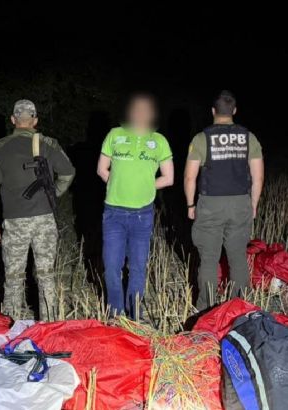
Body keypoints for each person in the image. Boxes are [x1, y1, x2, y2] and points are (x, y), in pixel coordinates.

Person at [0, 99, 75, 320]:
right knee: (46, 275)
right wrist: (54, 193)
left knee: (13, 277)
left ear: (13, 120)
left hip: (14, 222)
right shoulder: (48, 143)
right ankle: (49, 325)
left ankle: (11, 325)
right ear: (35, 120)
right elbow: (68, 172)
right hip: (44, 219)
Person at [184, 90, 264, 310]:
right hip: (240, 203)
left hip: (210, 205)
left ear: (213, 111)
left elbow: (190, 177)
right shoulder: (249, 138)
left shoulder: (201, 138)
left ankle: (206, 309)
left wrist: (190, 204)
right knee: (238, 257)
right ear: (234, 111)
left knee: (209, 260)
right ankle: (241, 307)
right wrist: (253, 204)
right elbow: (258, 176)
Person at [97, 93, 174, 318]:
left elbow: (168, 178)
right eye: (136, 109)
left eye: (145, 110)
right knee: (112, 267)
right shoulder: (115, 135)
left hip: (142, 215)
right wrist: (117, 184)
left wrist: (146, 186)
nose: (140, 114)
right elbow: (101, 169)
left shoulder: (159, 141)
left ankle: (135, 315)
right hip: (113, 213)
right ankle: (115, 314)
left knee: (138, 267)